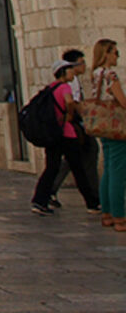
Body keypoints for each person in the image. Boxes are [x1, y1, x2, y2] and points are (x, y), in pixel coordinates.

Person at [31, 59, 100, 216]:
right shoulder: (64, 87)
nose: (72, 72)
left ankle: (39, 200)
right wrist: (69, 114)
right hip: (67, 134)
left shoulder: (50, 87)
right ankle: (92, 203)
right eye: (69, 70)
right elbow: (69, 102)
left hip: (53, 134)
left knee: (52, 168)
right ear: (63, 72)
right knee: (78, 168)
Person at [50, 49, 98, 210]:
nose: (84, 66)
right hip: (76, 126)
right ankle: (93, 196)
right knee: (87, 155)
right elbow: (72, 103)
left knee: (72, 160)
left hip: (73, 127)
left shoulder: (72, 80)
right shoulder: (70, 83)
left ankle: (51, 190)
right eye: (82, 62)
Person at [89, 39, 126, 232]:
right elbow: (122, 101)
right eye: (115, 53)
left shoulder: (96, 74)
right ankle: (120, 217)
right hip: (117, 127)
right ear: (106, 54)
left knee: (110, 170)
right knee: (119, 172)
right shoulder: (110, 75)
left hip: (104, 127)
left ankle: (107, 214)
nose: (117, 56)